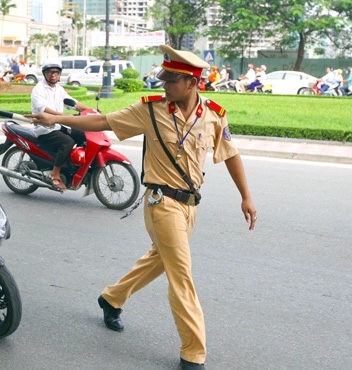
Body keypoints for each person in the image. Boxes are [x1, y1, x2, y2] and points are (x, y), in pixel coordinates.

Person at [28, 45, 257, 370]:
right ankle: (193, 353)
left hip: (191, 206)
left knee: (160, 261)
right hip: (161, 204)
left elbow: (231, 153)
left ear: (192, 83)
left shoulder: (214, 115)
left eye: (171, 80)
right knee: (181, 275)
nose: (163, 85)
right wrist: (55, 118)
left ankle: (111, 298)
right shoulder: (150, 110)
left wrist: (246, 196)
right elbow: (103, 121)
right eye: (162, 78)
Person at [30, 60, 91, 191]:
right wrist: (61, 116)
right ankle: (55, 174)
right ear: (45, 74)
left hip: (59, 124)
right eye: (50, 72)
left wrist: (89, 111)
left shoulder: (59, 89)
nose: (53, 75)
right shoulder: (38, 89)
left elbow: (72, 103)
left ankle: (74, 165)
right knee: (67, 142)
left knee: (84, 134)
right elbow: (43, 108)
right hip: (44, 128)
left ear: (59, 75)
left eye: (56, 72)